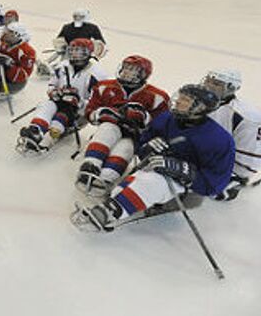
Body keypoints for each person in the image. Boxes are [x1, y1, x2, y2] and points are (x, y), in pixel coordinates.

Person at [72, 84, 234, 232]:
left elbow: (215, 185)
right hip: (155, 167)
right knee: (123, 189)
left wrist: (183, 171)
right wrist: (147, 148)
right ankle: (118, 202)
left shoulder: (219, 139)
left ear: (200, 107)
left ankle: (110, 212)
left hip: (188, 190)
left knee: (153, 182)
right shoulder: (167, 118)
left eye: (185, 100)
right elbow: (143, 144)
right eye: (180, 97)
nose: (177, 102)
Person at [75, 55, 170, 196]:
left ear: (144, 74)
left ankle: (107, 177)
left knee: (125, 147)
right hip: (109, 129)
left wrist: (144, 117)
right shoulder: (103, 86)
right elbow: (90, 112)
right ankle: (91, 164)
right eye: (126, 68)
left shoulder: (158, 97)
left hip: (134, 136)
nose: (127, 72)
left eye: (133, 70)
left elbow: (161, 125)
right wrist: (102, 113)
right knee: (108, 128)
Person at [17, 38, 108, 155]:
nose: (75, 55)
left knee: (63, 114)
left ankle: (49, 139)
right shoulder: (62, 66)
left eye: (80, 52)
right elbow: (52, 84)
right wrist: (54, 92)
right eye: (73, 51)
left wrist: (79, 102)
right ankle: (36, 130)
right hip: (59, 102)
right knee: (47, 104)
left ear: (89, 53)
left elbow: (96, 103)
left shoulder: (97, 74)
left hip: (78, 113)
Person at [202, 70, 261, 201]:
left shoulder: (247, 117)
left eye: (216, 83)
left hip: (224, 165)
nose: (208, 86)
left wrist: (237, 176)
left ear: (231, 88)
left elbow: (250, 158)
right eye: (208, 80)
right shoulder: (196, 101)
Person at [36, 8, 106, 77]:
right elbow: (60, 39)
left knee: (68, 61)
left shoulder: (92, 28)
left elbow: (100, 42)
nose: (78, 18)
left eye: (80, 17)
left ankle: (53, 68)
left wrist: (94, 49)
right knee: (61, 56)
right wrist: (61, 46)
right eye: (76, 16)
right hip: (69, 49)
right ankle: (48, 64)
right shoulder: (67, 27)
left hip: (84, 51)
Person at [0, 21, 35, 96]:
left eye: (9, 31)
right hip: (0, 74)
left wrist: (9, 64)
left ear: (16, 34)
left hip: (13, 83)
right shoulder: (5, 42)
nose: (5, 33)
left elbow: (24, 75)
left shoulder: (27, 51)